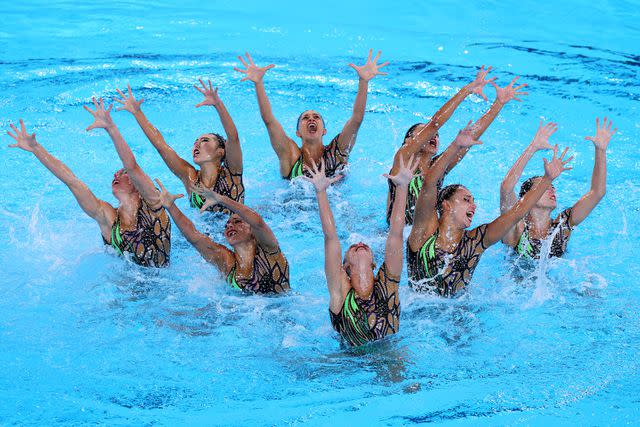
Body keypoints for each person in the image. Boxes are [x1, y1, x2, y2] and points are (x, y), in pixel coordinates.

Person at [406, 123, 572, 296]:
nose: (474, 205)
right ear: (446, 205)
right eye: (466, 200)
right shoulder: (424, 233)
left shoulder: (477, 240)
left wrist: (547, 179)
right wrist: (455, 146)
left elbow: (517, 212)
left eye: (473, 201)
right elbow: (429, 184)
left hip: (457, 315)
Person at [7, 100, 171, 267]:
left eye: (122, 173)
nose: (116, 174)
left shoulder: (153, 203)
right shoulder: (108, 217)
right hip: (129, 288)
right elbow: (72, 181)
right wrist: (36, 149)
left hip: (166, 286)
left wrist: (111, 128)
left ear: (136, 184)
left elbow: (132, 166)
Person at [387, 71, 528, 224]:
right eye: (425, 133)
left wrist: (498, 104)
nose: (434, 136)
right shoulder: (403, 159)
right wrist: (466, 90)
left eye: (437, 135)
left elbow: (470, 138)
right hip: (397, 234)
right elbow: (435, 123)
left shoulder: (438, 168)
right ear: (409, 140)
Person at [305, 155, 418, 346]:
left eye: (364, 246)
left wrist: (402, 187)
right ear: (345, 267)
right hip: (350, 362)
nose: (359, 243)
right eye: (351, 248)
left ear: (374, 263)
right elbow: (331, 238)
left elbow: (396, 235)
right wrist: (321, 192)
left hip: (388, 356)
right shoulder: (340, 292)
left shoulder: (387, 285)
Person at [235, 50, 388, 180]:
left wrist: (363, 81)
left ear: (324, 131)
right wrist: (258, 83)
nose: (311, 119)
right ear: (298, 133)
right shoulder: (291, 156)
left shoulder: (337, 152)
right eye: (305, 118)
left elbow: (356, 120)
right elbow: (269, 121)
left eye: (316, 117)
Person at [113, 80, 244, 214]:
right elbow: (162, 146)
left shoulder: (232, 173)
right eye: (195, 142)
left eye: (205, 140)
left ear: (221, 152)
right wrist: (137, 112)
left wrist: (218, 105)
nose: (197, 144)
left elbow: (233, 137)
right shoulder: (190, 177)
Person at [500, 118, 616, 258]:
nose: (552, 190)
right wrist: (533, 147)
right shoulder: (516, 228)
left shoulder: (563, 225)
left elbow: (597, 192)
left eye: (552, 187)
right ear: (527, 197)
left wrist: (601, 150)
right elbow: (506, 188)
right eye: (544, 187)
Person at [154, 179, 289, 294]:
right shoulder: (227, 262)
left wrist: (221, 199)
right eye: (227, 225)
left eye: (237, 222)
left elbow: (259, 223)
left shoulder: (270, 252)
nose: (230, 226)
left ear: (252, 231)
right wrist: (171, 206)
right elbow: (194, 237)